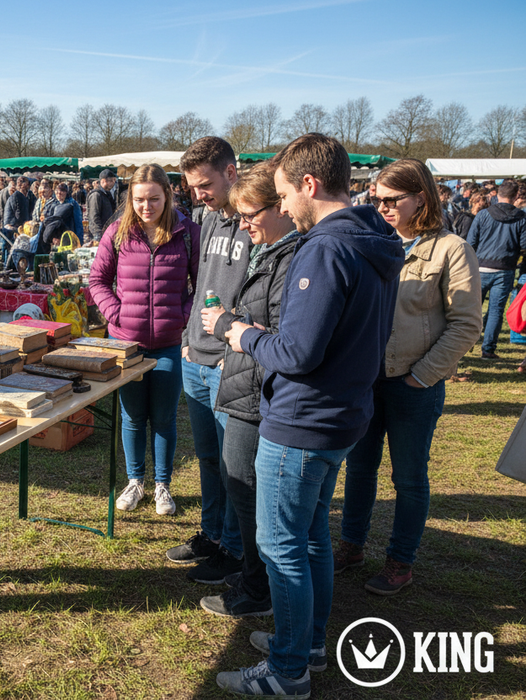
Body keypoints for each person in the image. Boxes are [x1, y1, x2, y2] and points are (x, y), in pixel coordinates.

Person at [214, 134, 403, 698]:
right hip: (341, 415)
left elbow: (297, 352)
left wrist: (238, 331)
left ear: (309, 185)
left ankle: (288, 668)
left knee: (281, 545)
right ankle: (309, 644)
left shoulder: (323, 249)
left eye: (282, 194)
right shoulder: (374, 240)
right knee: (311, 535)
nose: (283, 206)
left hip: (303, 421)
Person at [338, 159, 482, 597]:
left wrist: (423, 376)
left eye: (390, 200)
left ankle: (401, 560)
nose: (381, 207)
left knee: (409, 477)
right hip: (366, 379)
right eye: (375, 199)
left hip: (413, 383)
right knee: (359, 469)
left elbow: (466, 324)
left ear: (421, 196)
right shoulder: (370, 241)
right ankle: (351, 546)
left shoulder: (451, 249)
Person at [198, 162, 299, 620]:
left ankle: (259, 590)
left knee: (250, 493)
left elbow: (283, 336)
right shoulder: (272, 252)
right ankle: (254, 577)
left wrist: (233, 327)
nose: (242, 225)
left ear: (279, 207)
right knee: (242, 488)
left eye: (249, 214)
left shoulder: (290, 257)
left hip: (258, 391)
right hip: (247, 386)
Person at [90, 164, 200, 518]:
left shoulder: (187, 233)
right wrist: (117, 314)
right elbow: (97, 281)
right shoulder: (117, 233)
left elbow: (201, 287)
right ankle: (135, 481)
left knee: (165, 417)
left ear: (167, 194)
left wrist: (181, 317)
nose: (146, 206)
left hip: (169, 343)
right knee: (133, 416)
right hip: (127, 344)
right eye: (139, 199)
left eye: (154, 198)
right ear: (130, 198)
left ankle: (162, 484)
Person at [166, 137, 248, 587]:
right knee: (207, 458)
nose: (197, 193)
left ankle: (234, 549)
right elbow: (201, 286)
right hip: (194, 356)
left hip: (228, 361)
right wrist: (185, 338)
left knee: (232, 461)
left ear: (231, 172)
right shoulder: (210, 219)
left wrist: (231, 350)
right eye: (192, 185)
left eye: (204, 184)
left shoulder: (259, 221)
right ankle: (213, 534)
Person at [466, 179, 526, 359]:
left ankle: (465, 345)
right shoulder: (522, 218)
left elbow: (470, 243)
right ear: (516, 196)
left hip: (480, 267)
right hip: (504, 269)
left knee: (471, 309)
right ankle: (488, 349)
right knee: (495, 311)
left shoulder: (483, 215)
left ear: (498, 194)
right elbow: (524, 245)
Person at [87, 169, 117, 243]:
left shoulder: (107, 194)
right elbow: (94, 217)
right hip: (100, 237)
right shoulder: (96, 195)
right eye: (112, 181)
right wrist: (98, 236)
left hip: (108, 234)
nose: (114, 183)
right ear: (103, 181)